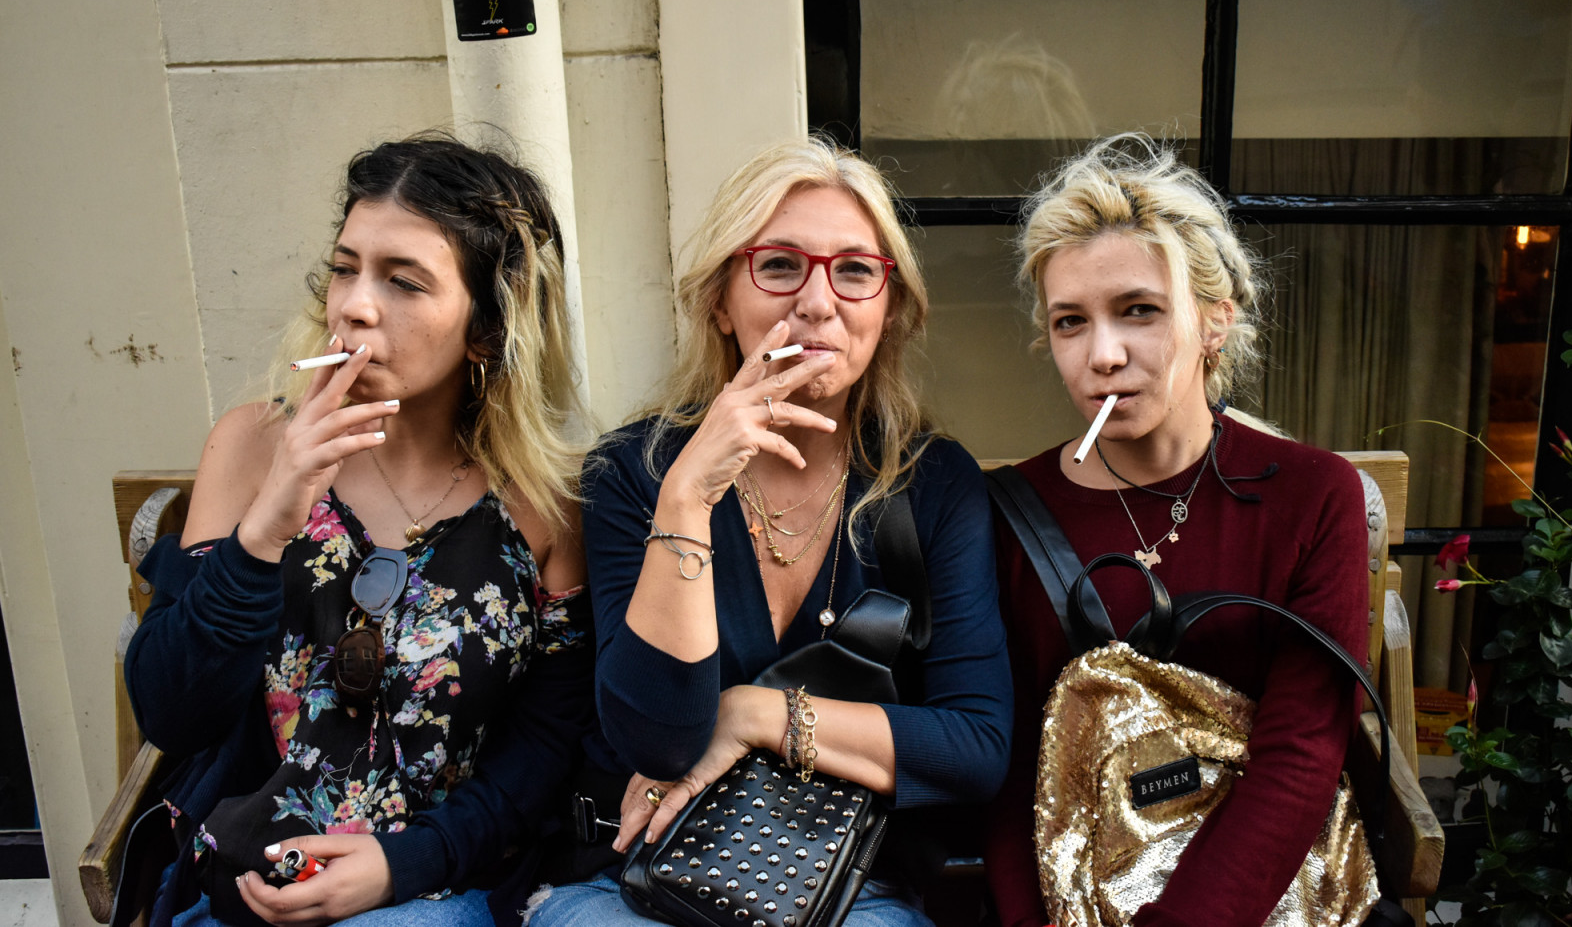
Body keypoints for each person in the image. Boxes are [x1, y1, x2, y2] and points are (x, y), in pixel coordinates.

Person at [520, 137, 1012, 926]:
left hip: (844, 888)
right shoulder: (634, 472)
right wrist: (687, 498)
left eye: (854, 271)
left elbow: (974, 745)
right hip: (634, 882)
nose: (817, 301)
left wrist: (754, 714)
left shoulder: (931, 480)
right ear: (721, 300)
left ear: (887, 310)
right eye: (780, 265)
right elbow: (659, 742)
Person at [125, 133, 593, 927]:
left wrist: (401, 865)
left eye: (404, 281)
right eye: (346, 268)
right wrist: (270, 519)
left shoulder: (546, 506)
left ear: (487, 329)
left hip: (437, 888)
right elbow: (172, 715)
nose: (354, 305)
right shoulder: (251, 447)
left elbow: (544, 755)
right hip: (239, 884)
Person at [982, 134, 1369, 927]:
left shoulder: (1310, 495)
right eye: (1069, 323)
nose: (1104, 354)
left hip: (1272, 898)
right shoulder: (1013, 513)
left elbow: (1301, 757)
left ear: (1215, 322)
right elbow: (1013, 765)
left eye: (1140, 312)